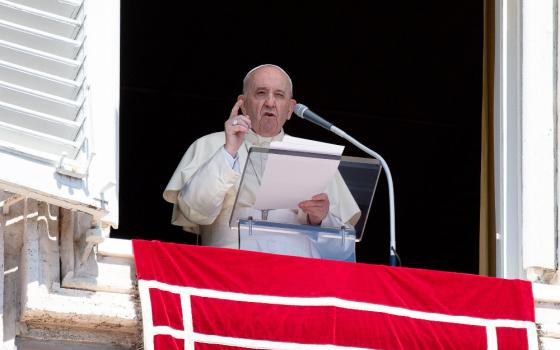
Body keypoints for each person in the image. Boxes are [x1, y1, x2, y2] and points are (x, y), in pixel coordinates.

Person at [163, 64, 360, 253]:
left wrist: (322, 219)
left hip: (297, 279)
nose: (270, 102)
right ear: (243, 103)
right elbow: (194, 211)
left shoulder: (314, 155)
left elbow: (344, 248)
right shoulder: (209, 145)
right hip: (229, 274)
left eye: (279, 95)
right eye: (261, 93)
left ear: (290, 108)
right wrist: (228, 151)